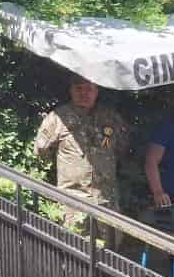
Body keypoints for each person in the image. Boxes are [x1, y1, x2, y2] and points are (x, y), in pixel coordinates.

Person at [34, 74, 129, 210]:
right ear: (71, 91)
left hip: (107, 200)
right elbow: (41, 151)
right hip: (73, 200)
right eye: (79, 88)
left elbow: (122, 148)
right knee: (73, 232)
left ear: (96, 92)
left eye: (89, 89)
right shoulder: (58, 118)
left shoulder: (111, 118)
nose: (84, 93)